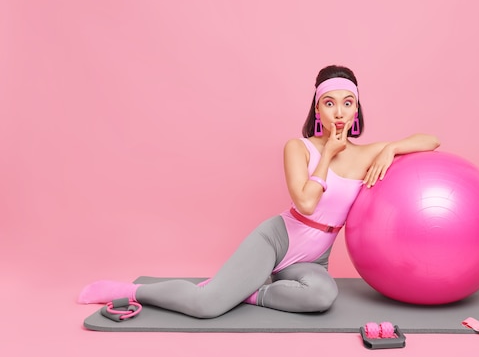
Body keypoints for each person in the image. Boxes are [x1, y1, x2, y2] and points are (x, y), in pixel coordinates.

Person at [78, 65, 440, 318]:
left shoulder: (367, 154)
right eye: (330, 103)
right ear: (318, 109)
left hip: (312, 261)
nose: (339, 113)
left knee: (323, 296)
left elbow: (431, 140)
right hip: (277, 240)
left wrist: (392, 148)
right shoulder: (298, 148)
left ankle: (250, 293)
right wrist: (328, 154)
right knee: (207, 307)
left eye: (348, 102)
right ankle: (125, 290)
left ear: (357, 108)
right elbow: (307, 202)